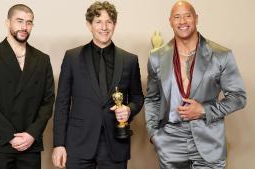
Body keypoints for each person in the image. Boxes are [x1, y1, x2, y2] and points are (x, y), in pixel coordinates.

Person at [144, 1, 246, 168]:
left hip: (209, 139)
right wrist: (153, 134)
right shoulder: (156, 57)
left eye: (187, 16)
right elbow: (152, 98)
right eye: (177, 17)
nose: (182, 21)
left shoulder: (221, 55)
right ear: (170, 21)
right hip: (169, 140)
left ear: (196, 18)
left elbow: (239, 97)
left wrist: (204, 110)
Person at [52, 1, 144, 169]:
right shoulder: (72, 57)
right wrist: (59, 144)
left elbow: (137, 97)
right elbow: (62, 103)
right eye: (98, 21)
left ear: (115, 25)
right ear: (89, 25)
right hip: (78, 144)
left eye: (109, 21)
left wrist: (129, 109)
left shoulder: (130, 60)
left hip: (115, 143)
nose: (104, 27)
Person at [0, 4, 55, 169]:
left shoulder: (42, 59)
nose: (24, 27)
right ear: (7, 23)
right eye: (19, 21)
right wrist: (10, 136)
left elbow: (48, 102)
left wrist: (32, 134)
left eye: (29, 22)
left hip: (30, 144)